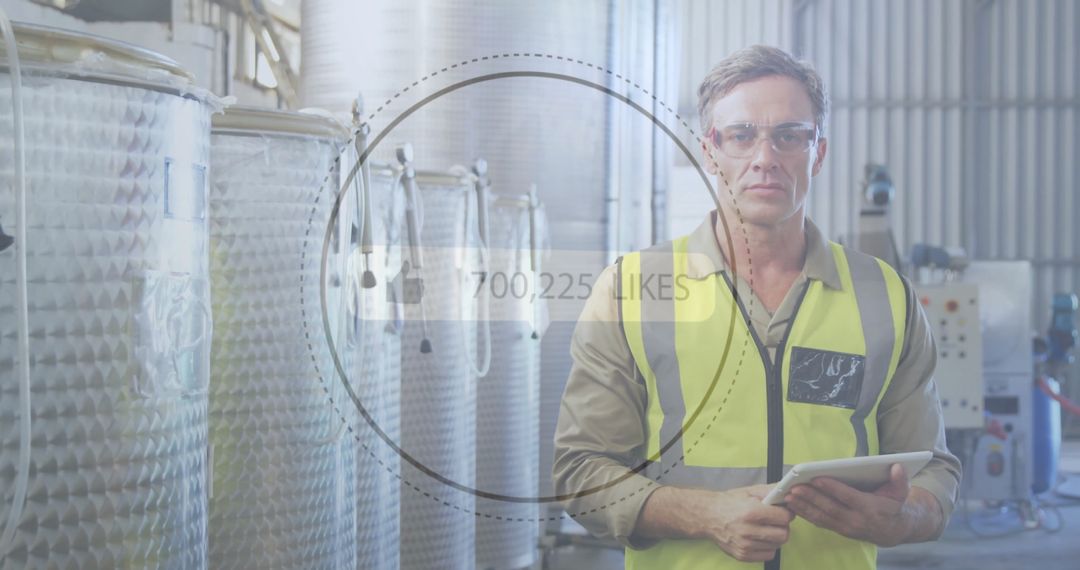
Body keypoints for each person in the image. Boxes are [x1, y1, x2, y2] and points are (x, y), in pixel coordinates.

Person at [552, 45, 961, 570]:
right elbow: (581, 473)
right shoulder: (632, 289)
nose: (765, 157)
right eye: (742, 136)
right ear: (710, 151)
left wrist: (906, 518)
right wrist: (705, 515)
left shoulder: (886, 297)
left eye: (789, 136)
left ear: (818, 152)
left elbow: (936, 471)